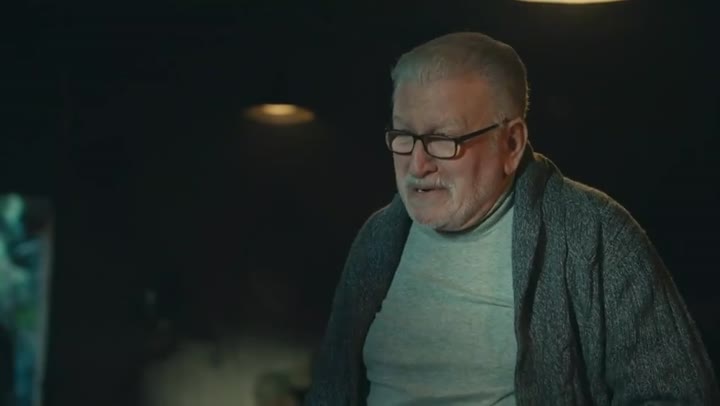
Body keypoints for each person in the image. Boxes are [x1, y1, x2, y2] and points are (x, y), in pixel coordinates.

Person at [303, 32, 719, 405]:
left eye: (442, 139)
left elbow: (678, 395)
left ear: (512, 143)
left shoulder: (595, 235)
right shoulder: (378, 238)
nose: (417, 164)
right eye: (404, 136)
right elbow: (330, 390)